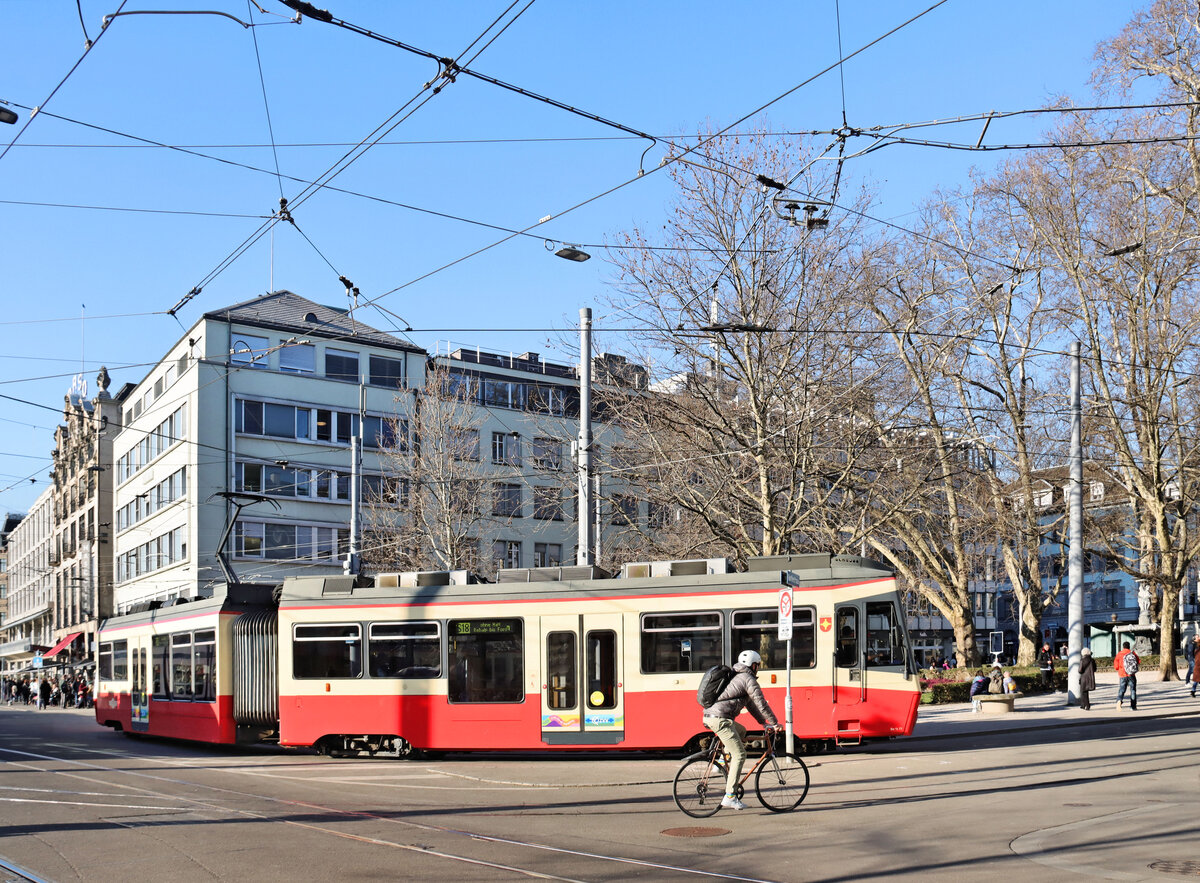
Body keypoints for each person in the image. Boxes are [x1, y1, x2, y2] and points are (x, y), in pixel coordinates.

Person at [701, 650, 781, 811]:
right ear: (753, 665)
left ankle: (722, 761)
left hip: (713, 717)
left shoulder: (737, 676)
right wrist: (775, 722)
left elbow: (751, 705)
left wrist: (763, 723)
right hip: (720, 719)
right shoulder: (748, 679)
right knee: (740, 755)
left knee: (742, 731)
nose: (758, 668)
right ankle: (730, 796)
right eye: (758, 665)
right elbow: (761, 703)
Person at [1116, 641, 1139, 710]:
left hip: (1122, 674)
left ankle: (1119, 701)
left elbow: (1116, 666)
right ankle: (1133, 706)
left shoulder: (1119, 654)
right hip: (1131, 674)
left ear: (1123, 647)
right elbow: (1138, 661)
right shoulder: (1132, 653)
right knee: (1133, 690)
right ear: (1129, 646)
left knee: (1122, 689)